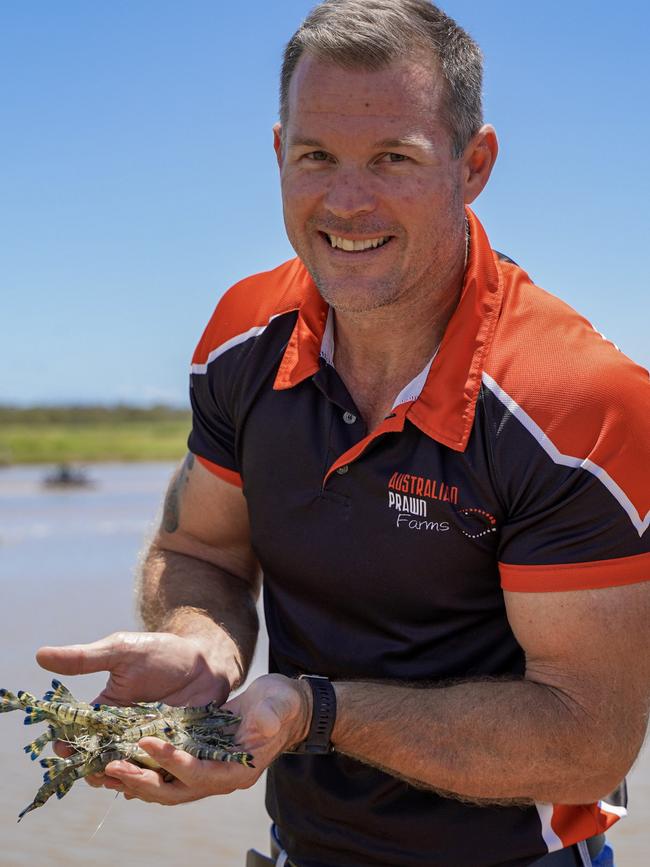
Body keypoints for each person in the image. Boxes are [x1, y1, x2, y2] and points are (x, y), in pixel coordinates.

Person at [37, 1, 650, 865]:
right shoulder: (241, 339)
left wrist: (312, 711)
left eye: (393, 158)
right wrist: (202, 646)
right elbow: (204, 551)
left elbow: (590, 738)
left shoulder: (578, 403)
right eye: (316, 156)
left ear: (474, 166)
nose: (347, 201)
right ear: (278, 152)